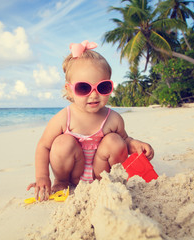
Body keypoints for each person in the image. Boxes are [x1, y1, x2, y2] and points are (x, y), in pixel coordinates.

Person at [27, 40, 154, 201]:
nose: (94, 95)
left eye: (103, 87)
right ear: (70, 90)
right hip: (72, 174)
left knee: (116, 141)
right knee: (61, 143)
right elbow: (43, 146)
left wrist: (135, 145)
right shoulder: (63, 117)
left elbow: (125, 141)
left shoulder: (113, 119)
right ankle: (61, 182)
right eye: (84, 88)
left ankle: (112, 179)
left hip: (102, 174)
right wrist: (42, 177)